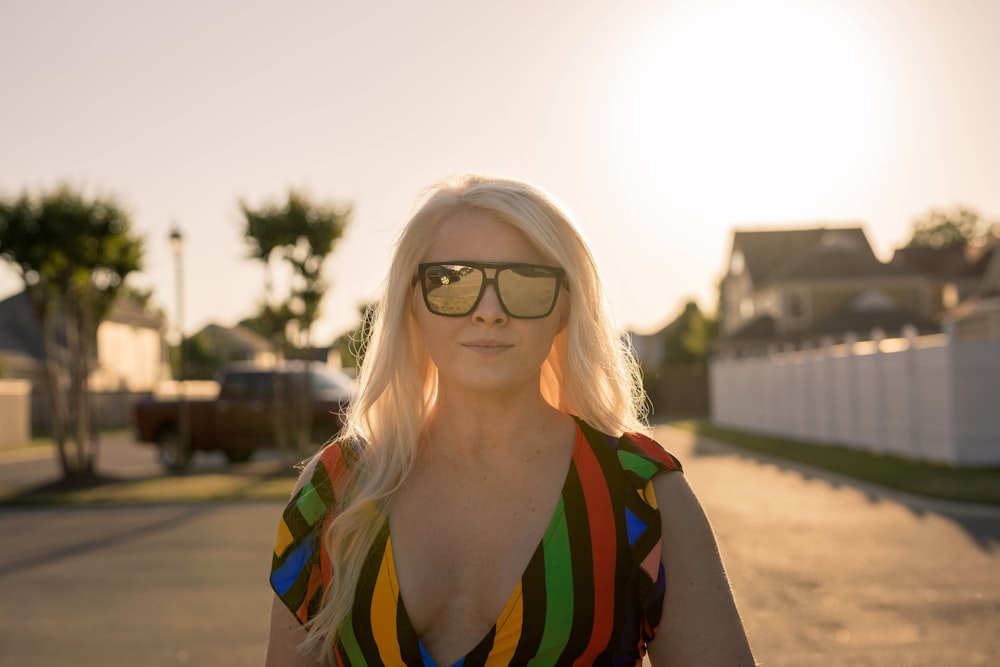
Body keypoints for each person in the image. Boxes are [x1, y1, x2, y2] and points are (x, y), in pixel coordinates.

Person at [266, 175, 755, 666]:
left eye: (525, 283)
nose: (489, 311)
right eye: (453, 281)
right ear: (412, 302)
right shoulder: (334, 491)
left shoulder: (642, 495)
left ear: (565, 307)